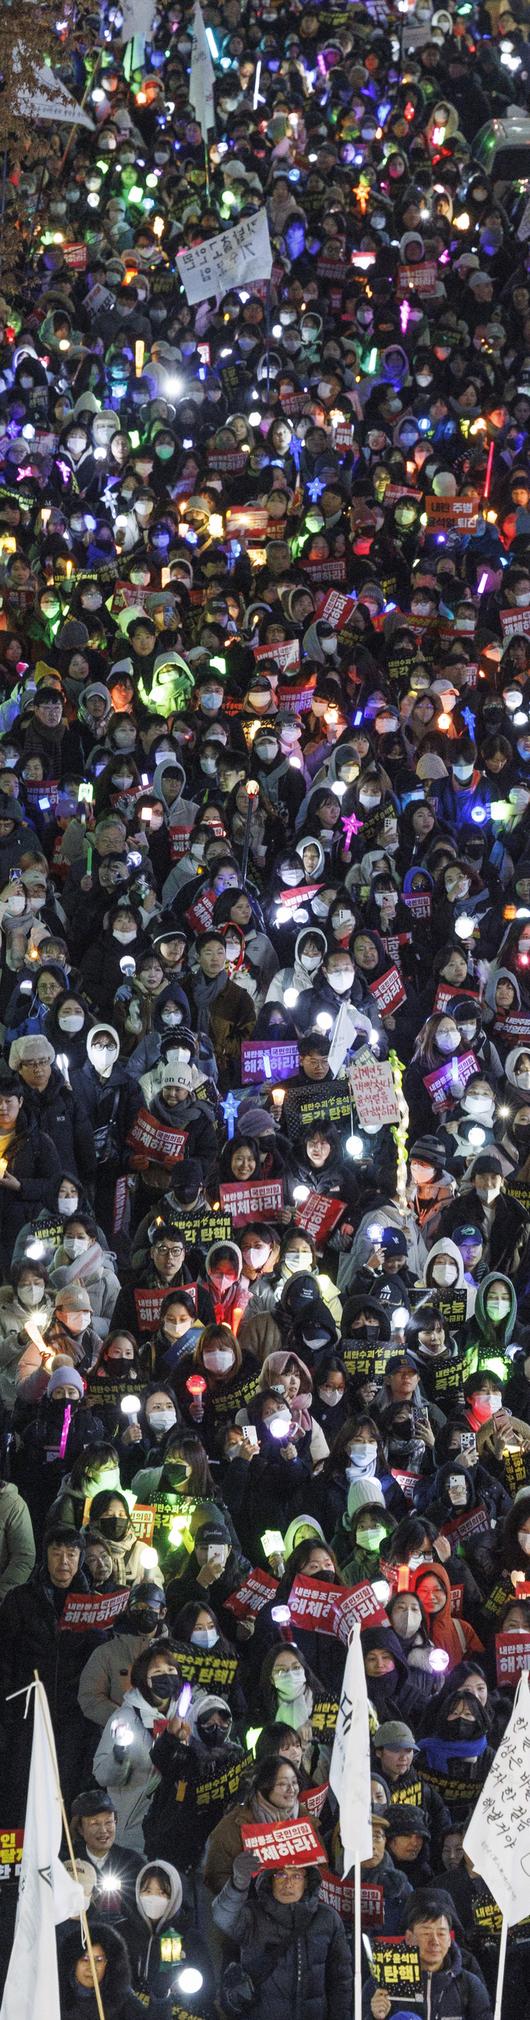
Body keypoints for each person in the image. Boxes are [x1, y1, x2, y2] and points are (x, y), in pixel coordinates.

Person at [211, 1859, 353, 2020]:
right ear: (270, 1880)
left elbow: (341, 1980)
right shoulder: (252, 1915)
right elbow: (222, 1916)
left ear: (307, 1882)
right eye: (280, 1875)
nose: (288, 1883)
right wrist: (238, 1883)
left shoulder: (327, 1918)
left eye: (297, 1876)